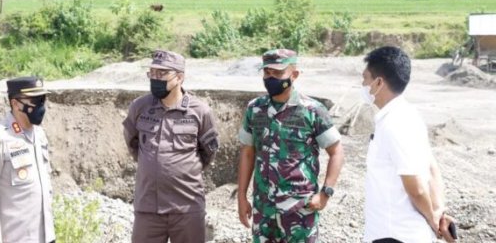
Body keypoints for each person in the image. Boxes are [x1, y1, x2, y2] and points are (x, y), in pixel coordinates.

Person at [237, 48, 344, 242]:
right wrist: (242, 196)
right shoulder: (255, 109)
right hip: (264, 209)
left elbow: (336, 152)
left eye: (278, 73)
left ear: (294, 75)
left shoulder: (312, 111)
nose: (271, 78)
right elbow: (247, 153)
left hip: (300, 209)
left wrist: (325, 193)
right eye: (267, 72)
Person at [122, 49, 220, 243]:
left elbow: (208, 152)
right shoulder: (139, 108)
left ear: (179, 77)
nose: (155, 78)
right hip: (148, 207)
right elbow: (133, 144)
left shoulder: (200, 112)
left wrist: (180, 169)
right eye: (152, 73)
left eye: (162, 73)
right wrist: (154, 165)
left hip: (186, 207)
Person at [361, 46, 456, 243]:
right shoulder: (408, 115)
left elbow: (416, 187)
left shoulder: (393, 124)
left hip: (395, 234)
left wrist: (432, 218)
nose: (363, 84)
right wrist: (438, 211)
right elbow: (430, 167)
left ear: (378, 82)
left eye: (365, 78)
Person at [0, 76, 55, 243]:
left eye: (42, 99)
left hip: (46, 237)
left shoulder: (39, 135)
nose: (41, 105)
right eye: (35, 100)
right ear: (15, 103)